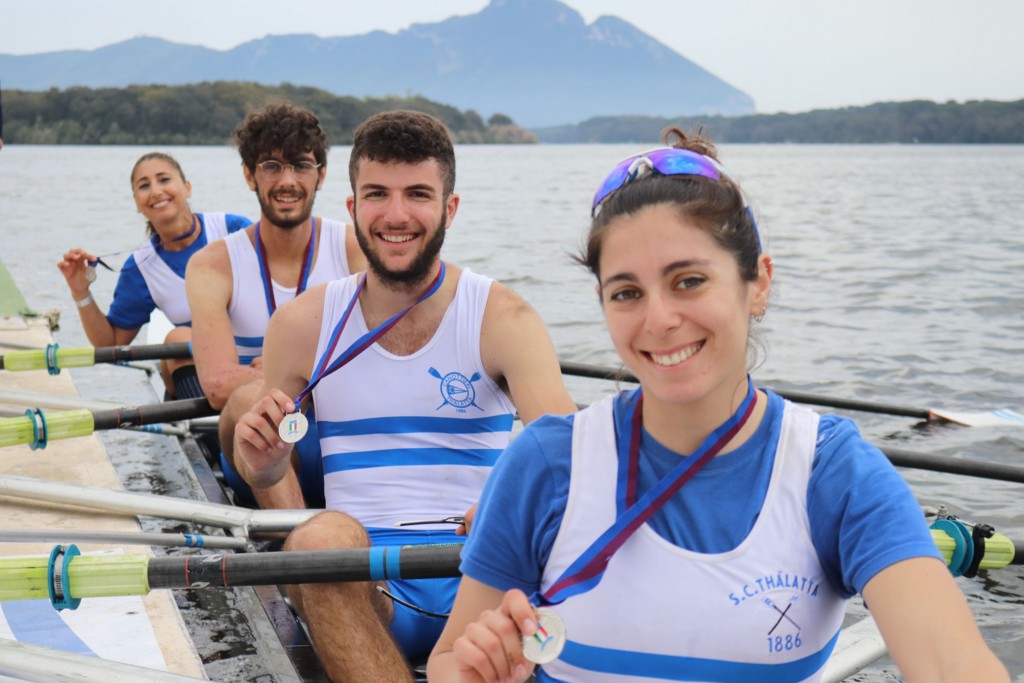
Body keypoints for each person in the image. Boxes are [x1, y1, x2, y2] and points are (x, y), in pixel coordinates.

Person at [427, 130, 1011, 682]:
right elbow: (451, 660)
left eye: (688, 281)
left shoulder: (834, 473)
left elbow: (948, 661)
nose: (658, 320)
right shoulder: (546, 463)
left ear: (757, 283)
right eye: (627, 292)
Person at [231, 110, 577, 682]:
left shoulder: (503, 318)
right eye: (377, 194)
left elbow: (568, 468)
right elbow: (263, 471)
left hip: (482, 570)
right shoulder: (301, 325)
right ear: (352, 208)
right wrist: (263, 463)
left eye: (418, 193)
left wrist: (505, 508)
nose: (396, 215)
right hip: (368, 580)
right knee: (318, 538)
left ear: (450, 207)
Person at [186, 102, 365, 508]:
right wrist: (312, 376)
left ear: (321, 174)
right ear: (249, 175)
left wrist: (275, 373)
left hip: (340, 440)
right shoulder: (213, 264)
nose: (288, 181)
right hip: (256, 450)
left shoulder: (355, 248)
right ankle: (304, 556)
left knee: (261, 390)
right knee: (254, 401)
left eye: (301, 166)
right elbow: (217, 387)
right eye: (271, 166)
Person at [57, 152, 250, 397]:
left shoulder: (234, 230)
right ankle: (209, 428)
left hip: (259, 358)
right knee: (177, 338)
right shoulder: (140, 268)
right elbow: (110, 344)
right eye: (144, 186)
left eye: (164, 179)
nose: (156, 191)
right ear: (137, 203)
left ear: (187, 188)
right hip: (208, 376)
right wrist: (81, 292)